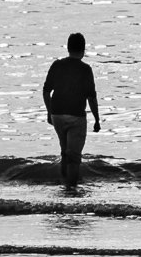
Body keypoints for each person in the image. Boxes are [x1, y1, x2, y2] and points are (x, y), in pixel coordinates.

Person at [42, 33, 100, 189]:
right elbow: (91, 98)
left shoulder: (57, 65)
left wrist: (49, 112)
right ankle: (71, 191)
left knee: (65, 153)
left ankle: (65, 187)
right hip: (76, 117)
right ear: (83, 49)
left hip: (57, 115)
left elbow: (46, 91)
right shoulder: (85, 69)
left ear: (68, 48)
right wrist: (97, 119)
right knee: (73, 158)